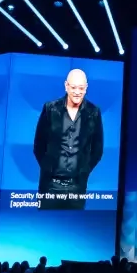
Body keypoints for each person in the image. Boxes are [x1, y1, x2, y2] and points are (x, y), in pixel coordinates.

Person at [33, 68, 105, 211]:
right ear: (66, 86)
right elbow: (38, 145)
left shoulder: (93, 112)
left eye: (81, 88)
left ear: (86, 88)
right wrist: (48, 168)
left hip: (77, 188)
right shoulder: (50, 109)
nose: (77, 92)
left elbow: (97, 149)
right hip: (50, 187)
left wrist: (84, 171)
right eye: (73, 88)